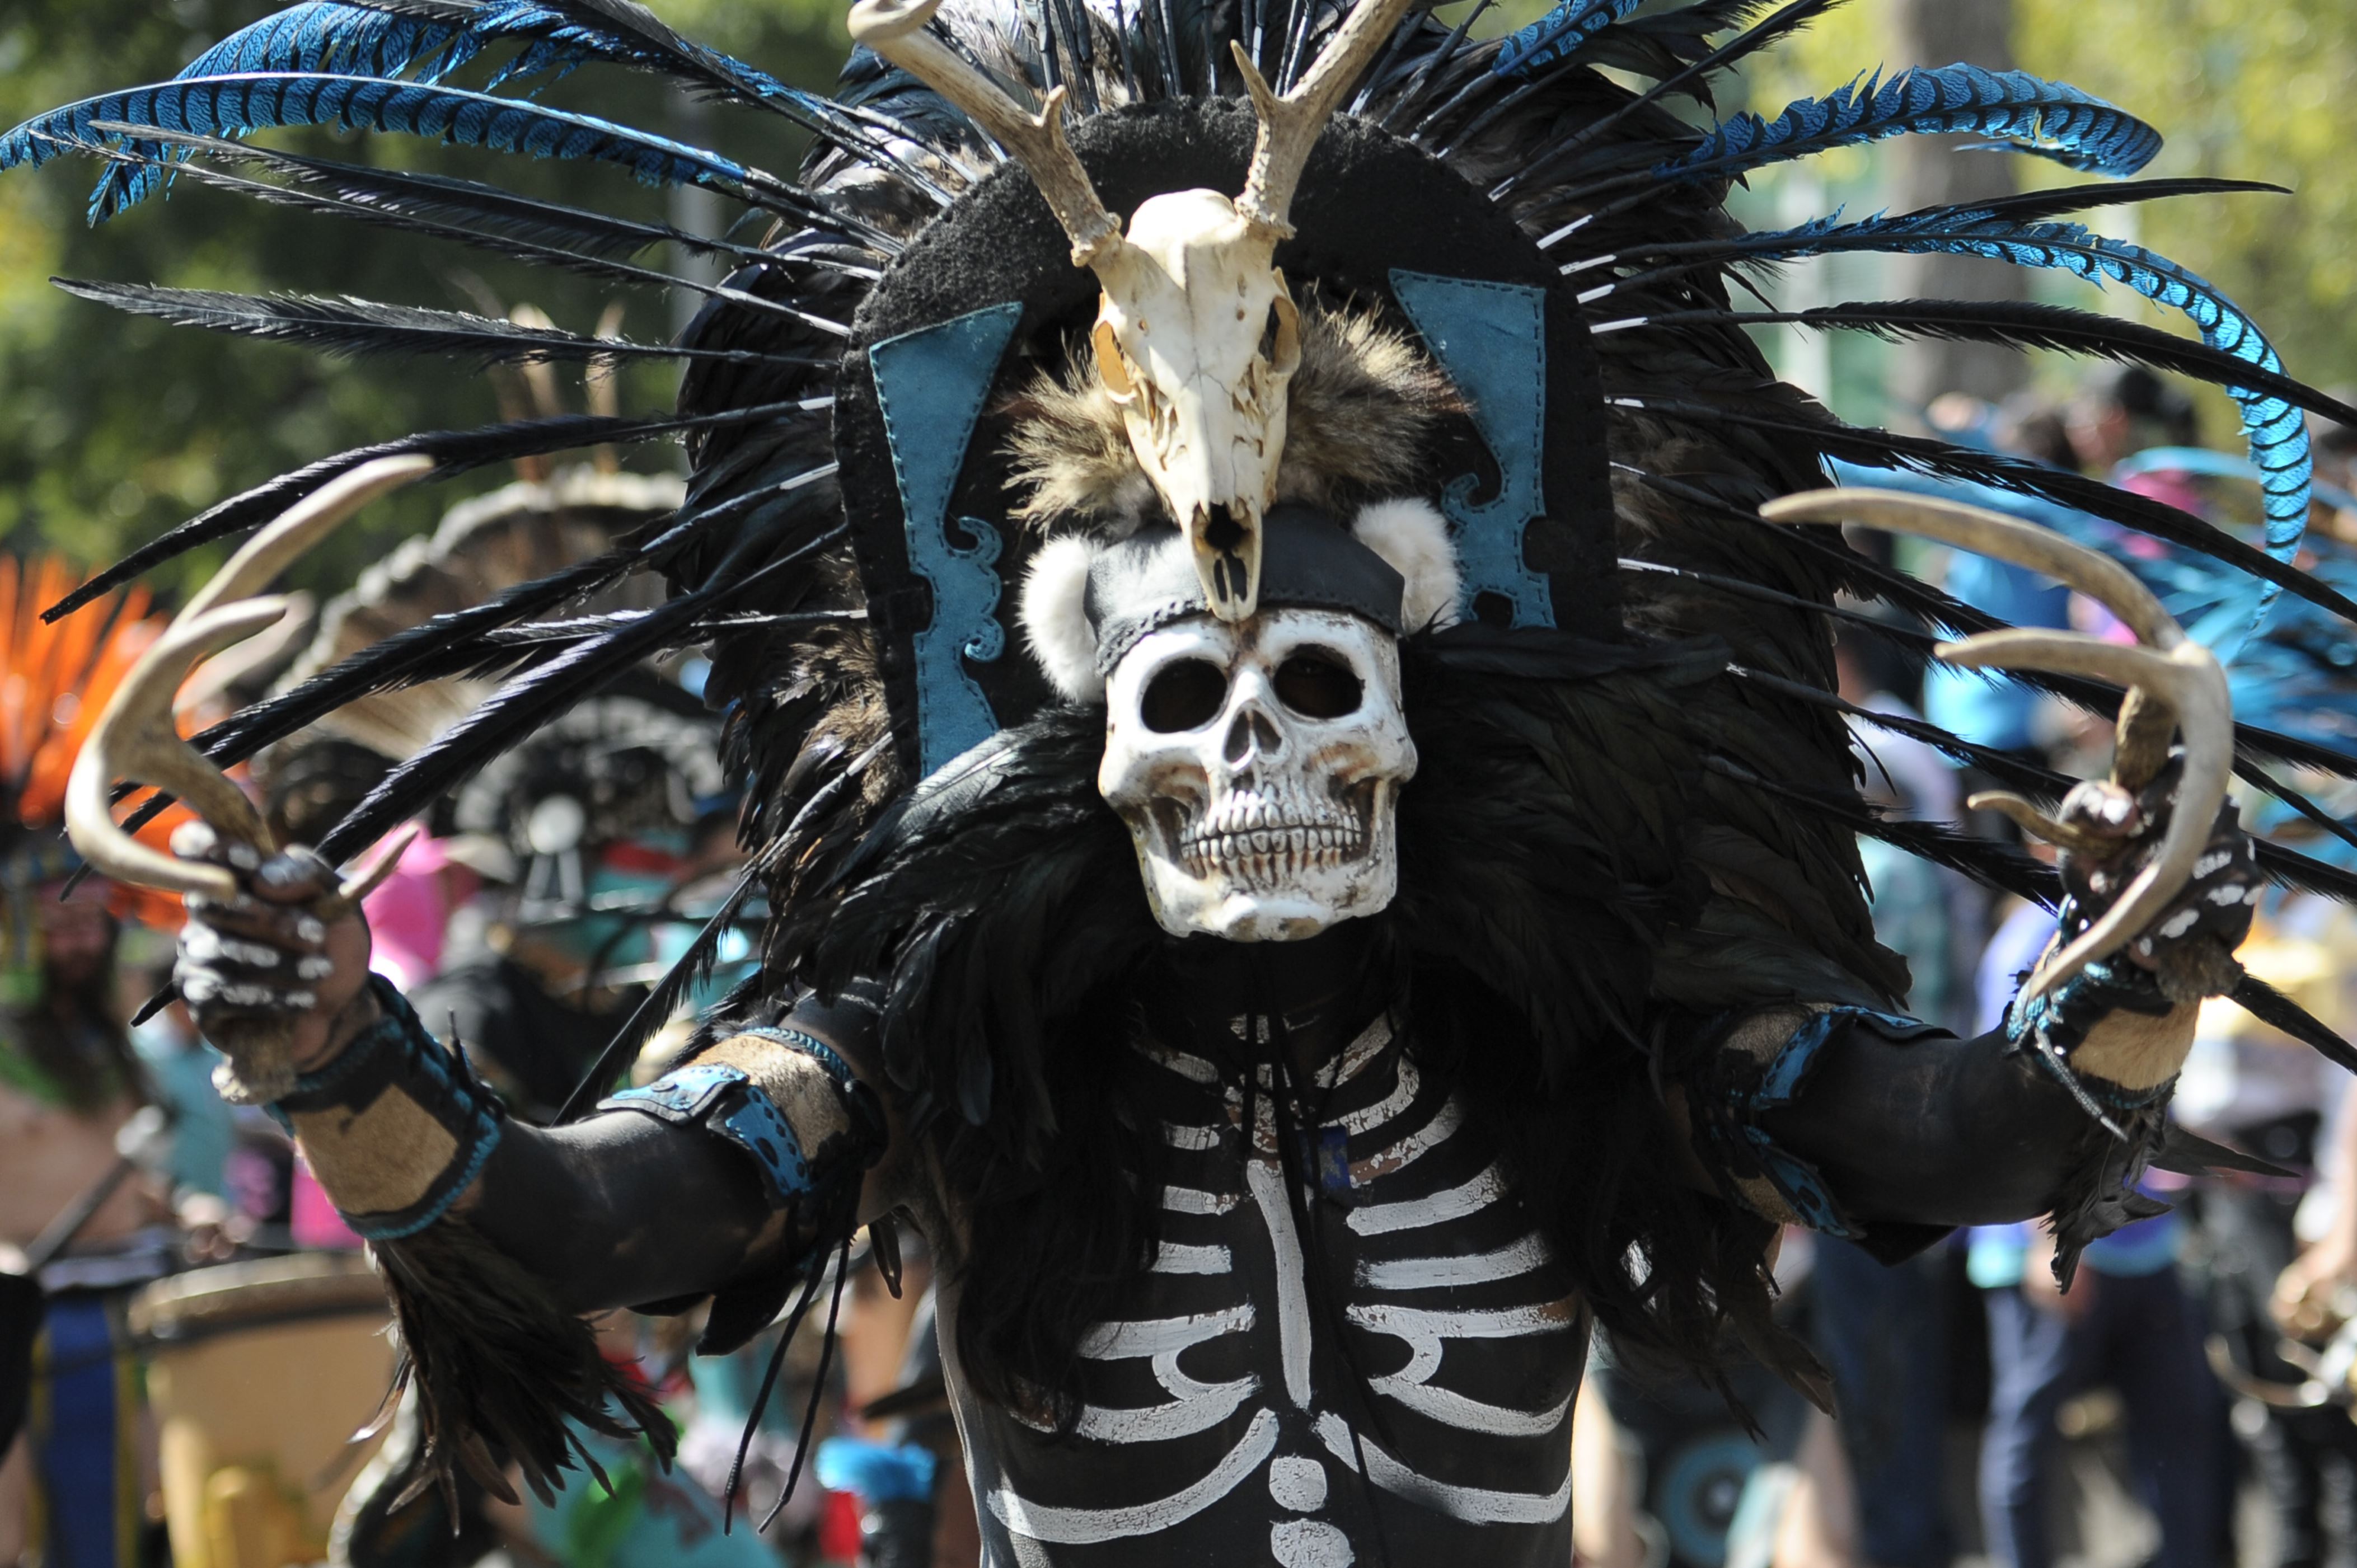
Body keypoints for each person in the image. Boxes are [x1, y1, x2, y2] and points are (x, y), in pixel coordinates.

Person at [13, 1, 2350, 1562]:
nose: (1255, 745)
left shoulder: (1586, 1005)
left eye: (1316, 676)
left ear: (1422, 677)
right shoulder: (941, 1042)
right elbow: (589, 1216)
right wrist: (336, 1051)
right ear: (1067, 733)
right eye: (1182, 697)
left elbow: (1966, 1136)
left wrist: (2134, 969)